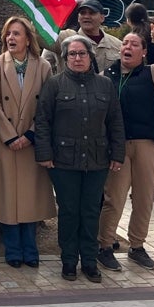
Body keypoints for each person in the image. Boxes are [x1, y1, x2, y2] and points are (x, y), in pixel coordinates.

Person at [36, 36, 125, 283]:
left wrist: (118, 154)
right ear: (64, 59)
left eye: (82, 54)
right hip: (63, 161)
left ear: (90, 57)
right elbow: (43, 121)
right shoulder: (54, 84)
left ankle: (89, 260)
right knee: (68, 212)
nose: (77, 58)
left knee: (90, 212)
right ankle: (68, 261)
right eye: (72, 54)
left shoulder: (105, 85)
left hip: (97, 160)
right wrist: (45, 154)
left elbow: (115, 122)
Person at [96, 22, 154, 272]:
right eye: (125, 43)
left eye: (134, 44)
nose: (128, 47)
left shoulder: (153, 73)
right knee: (114, 198)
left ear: (144, 52)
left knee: (144, 198)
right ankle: (105, 245)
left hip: (145, 144)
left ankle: (137, 246)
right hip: (117, 147)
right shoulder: (105, 76)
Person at [0, 16, 55, 268]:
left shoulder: (43, 66)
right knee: (7, 197)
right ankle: (12, 249)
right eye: (8, 33)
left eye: (17, 34)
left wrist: (30, 135)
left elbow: (46, 105)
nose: (11, 38)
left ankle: (30, 249)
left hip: (31, 143)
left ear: (28, 38)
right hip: (4, 142)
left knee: (29, 198)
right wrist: (10, 136)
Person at [51, 0, 121, 74]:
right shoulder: (64, 37)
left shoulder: (117, 45)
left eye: (92, 13)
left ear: (102, 18)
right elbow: (40, 37)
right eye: (82, 13)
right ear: (78, 18)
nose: (86, 16)